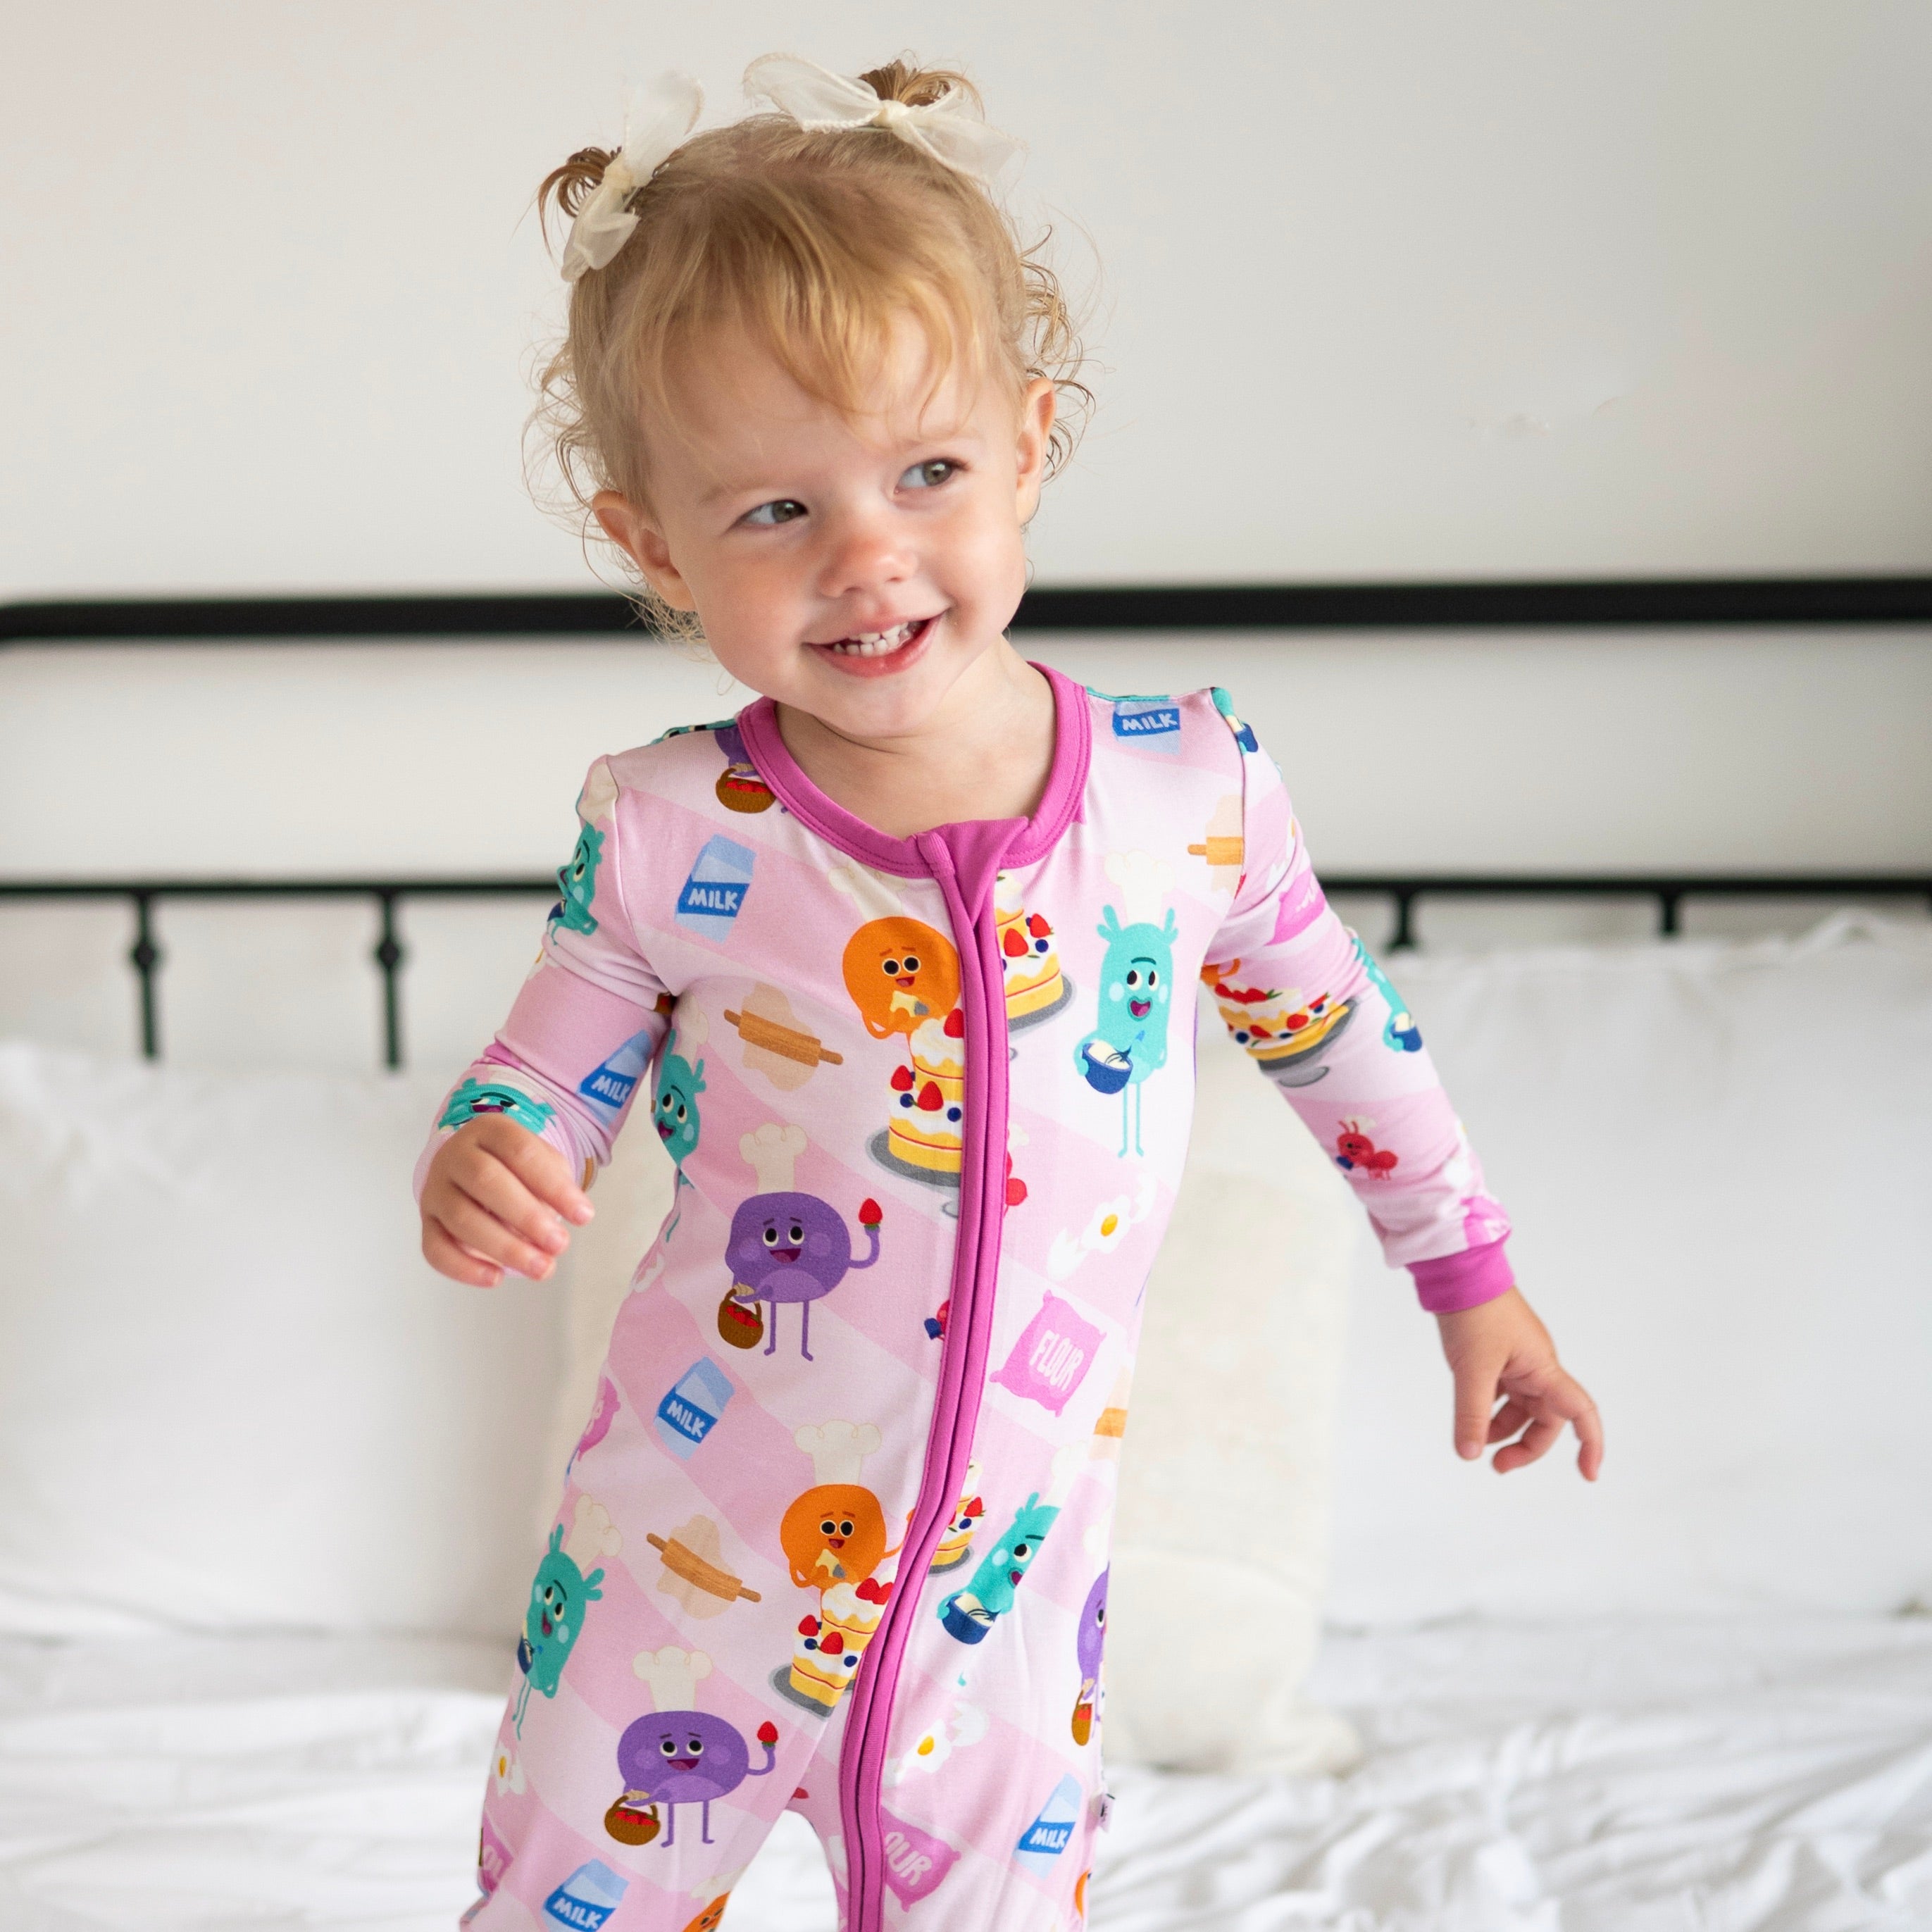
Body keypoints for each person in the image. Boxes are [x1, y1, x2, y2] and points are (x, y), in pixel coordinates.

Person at [416, 53, 1603, 1932]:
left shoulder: (1182, 786)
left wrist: (1473, 1277)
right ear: (654, 545)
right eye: (773, 513)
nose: (868, 554)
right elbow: (541, 1073)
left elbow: (1344, 1036)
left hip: (1003, 1616)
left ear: (1031, 444)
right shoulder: (664, 826)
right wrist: (489, 1149)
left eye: (930, 474)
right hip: (678, 1595)